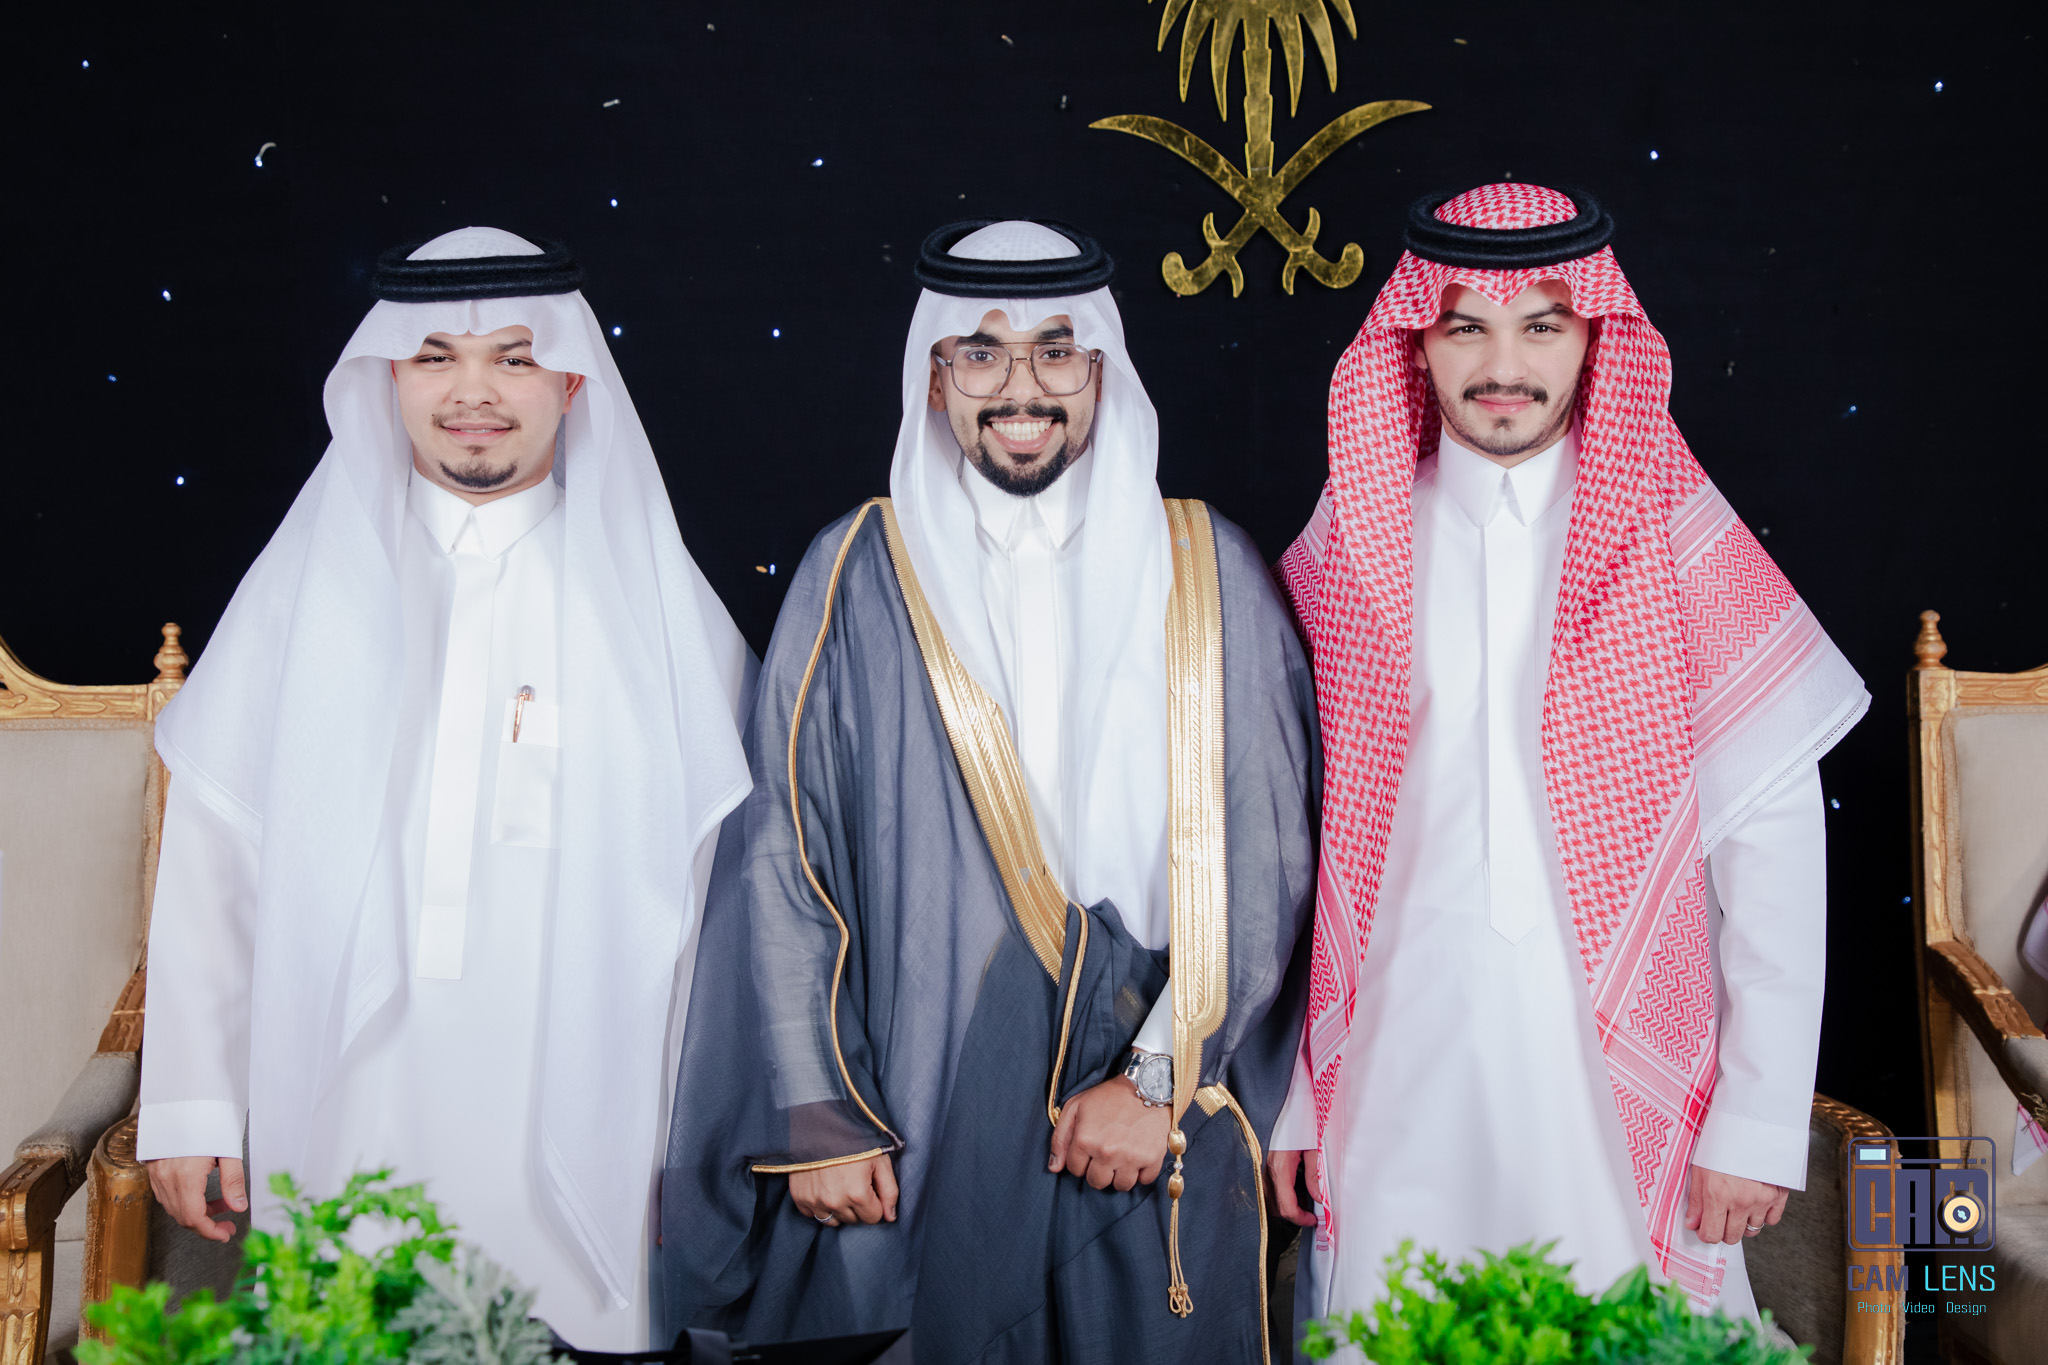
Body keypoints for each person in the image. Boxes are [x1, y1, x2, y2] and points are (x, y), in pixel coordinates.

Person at [661, 220, 1319, 1362]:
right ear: (935, 378)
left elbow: (1266, 859)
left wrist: (1157, 1079)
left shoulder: (1208, 566)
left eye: (1056, 351)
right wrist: (821, 1116)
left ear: (1101, 371)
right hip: (917, 1105)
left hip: (1144, 1123)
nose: (1022, 388)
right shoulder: (857, 569)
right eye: (981, 353)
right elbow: (784, 855)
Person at [1266, 183, 1869, 1333]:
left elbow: (1773, 846)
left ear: (1595, 336)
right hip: (1392, 1076)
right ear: (1415, 340)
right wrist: (1293, 1090)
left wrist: (1754, 1118)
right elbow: (1293, 850)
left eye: (1541, 325)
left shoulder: (1675, 537)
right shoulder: (1351, 539)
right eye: (1465, 326)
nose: (1503, 364)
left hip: (1606, 1082)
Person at [136, 227, 751, 1350]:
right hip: (351, 1100)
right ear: (386, 380)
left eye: (514, 357)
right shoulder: (302, 594)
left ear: (571, 382)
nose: (474, 393)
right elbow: (214, 864)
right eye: (435, 359)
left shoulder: (658, 613)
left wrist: (703, 1139)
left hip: (592, 1131)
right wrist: (190, 1103)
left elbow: (731, 905)